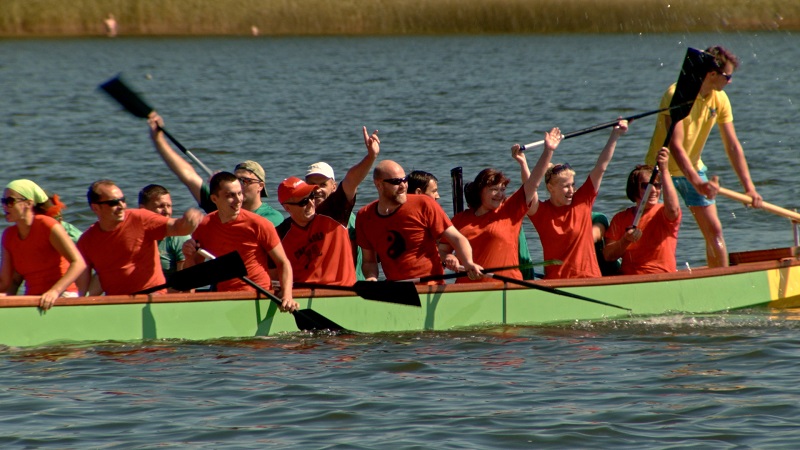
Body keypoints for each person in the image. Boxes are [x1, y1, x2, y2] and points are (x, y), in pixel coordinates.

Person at [645, 45, 761, 268]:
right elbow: (676, 147)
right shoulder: (676, 94)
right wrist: (698, 183)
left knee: (715, 230)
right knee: (657, 234)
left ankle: (721, 281)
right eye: (728, 76)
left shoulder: (720, 99)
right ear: (712, 74)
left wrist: (749, 188)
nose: (730, 81)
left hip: (693, 168)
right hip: (660, 170)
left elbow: (733, 146)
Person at [440, 129, 562, 283]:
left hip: (505, 288)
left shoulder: (510, 210)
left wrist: (548, 151)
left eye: (502, 190)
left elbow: (533, 182)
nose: (500, 194)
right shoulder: (460, 219)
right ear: (480, 191)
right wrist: (449, 258)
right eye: (493, 190)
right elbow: (441, 251)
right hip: (466, 290)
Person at [521, 120, 628, 279]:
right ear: (551, 188)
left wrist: (615, 135)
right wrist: (523, 162)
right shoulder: (541, 212)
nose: (571, 190)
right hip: (558, 283)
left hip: (589, 279)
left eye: (573, 185)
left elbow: (601, 167)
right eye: (565, 186)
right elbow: (529, 188)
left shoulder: (582, 201)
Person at [182, 172, 297, 312]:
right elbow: (194, 274)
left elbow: (283, 263)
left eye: (239, 194)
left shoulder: (259, 224)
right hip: (223, 298)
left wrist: (287, 296)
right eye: (230, 195)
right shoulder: (204, 226)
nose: (238, 200)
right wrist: (188, 256)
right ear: (214, 198)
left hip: (258, 297)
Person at [356, 160, 482, 283]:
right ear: (379, 184)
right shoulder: (364, 216)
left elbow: (458, 239)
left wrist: (468, 263)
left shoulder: (424, 204)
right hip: (396, 290)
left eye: (404, 180)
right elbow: (369, 261)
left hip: (430, 287)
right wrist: (371, 277)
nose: (403, 186)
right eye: (396, 182)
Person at [148, 113, 284, 226]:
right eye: (236, 180)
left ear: (260, 186)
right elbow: (188, 175)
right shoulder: (220, 204)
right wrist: (158, 139)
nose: (239, 186)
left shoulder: (272, 216)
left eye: (245, 181)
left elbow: (248, 227)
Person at [76, 180, 202, 296]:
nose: (121, 206)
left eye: (123, 200)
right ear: (96, 207)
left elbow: (177, 227)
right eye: (113, 202)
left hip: (152, 297)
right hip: (115, 304)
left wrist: (188, 222)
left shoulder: (140, 218)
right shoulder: (86, 241)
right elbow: (82, 289)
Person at [303, 126, 381, 281]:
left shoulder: (340, 213)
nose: (317, 190)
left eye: (323, 184)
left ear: (334, 187)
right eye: (312, 185)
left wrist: (371, 157)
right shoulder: (299, 215)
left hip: (350, 286)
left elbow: (352, 180)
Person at [0, 180, 86, 309]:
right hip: (34, 298)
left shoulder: (47, 225)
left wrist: (54, 291)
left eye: (10, 201)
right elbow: (6, 282)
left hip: (62, 295)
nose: (5, 206)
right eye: (3, 202)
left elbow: (79, 263)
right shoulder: (8, 236)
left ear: (29, 203)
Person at [604, 147, 682, 275]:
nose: (653, 190)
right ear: (634, 188)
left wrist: (665, 170)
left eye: (657, 186)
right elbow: (608, 256)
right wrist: (625, 240)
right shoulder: (620, 218)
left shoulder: (664, 212)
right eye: (646, 186)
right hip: (629, 278)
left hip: (662, 276)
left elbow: (674, 209)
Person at [275, 177, 356, 286]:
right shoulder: (279, 235)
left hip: (343, 291)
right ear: (287, 208)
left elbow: (352, 181)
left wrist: (371, 158)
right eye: (303, 202)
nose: (311, 203)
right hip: (301, 295)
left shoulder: (331, 215)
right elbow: (272, 275)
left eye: (311, 196)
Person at [138, 184, 191, 278]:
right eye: (161, 206)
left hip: (167, 291)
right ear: (143, 209)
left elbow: (185, 283)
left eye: (169, 206)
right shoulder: (132, 233)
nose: (167, 211)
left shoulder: (180, 237)